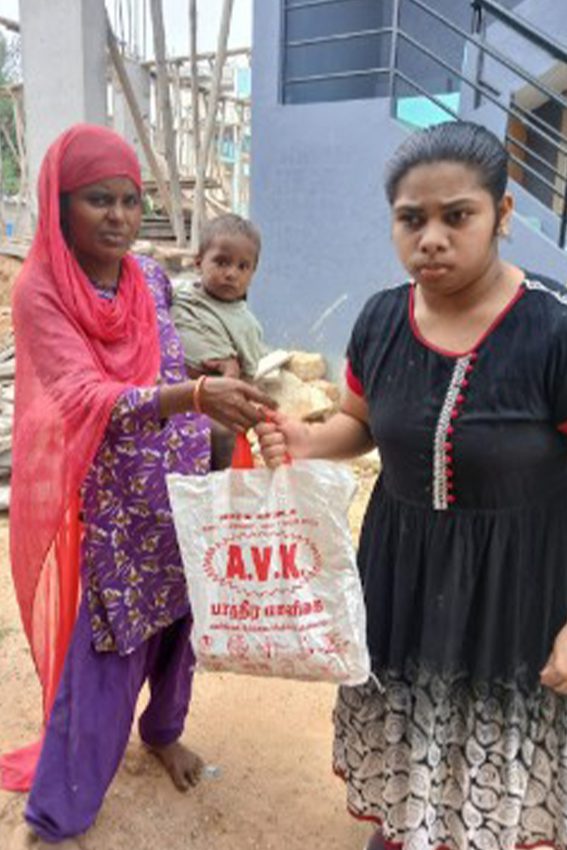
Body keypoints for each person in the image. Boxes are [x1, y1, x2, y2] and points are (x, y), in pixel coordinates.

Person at [256, 121, 567, 850]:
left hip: (517, 585)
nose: (431, 239)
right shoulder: (380, 319)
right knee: (410, 717)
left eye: (457, 216)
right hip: (401, 572)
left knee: (496, 731)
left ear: (502, 214)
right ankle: (407, 826)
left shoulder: (552, 332)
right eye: (411, 219)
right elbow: (361, 424)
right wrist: (305, 439)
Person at [2, 123, 274, 850]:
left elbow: (176, 360)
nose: (119, 216)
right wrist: (195, 396)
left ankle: (162, 732)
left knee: (183, 619)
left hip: (184, 477)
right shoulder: (42, 291)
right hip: (116, 496)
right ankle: (57, 816)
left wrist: (221, 395)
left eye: (129, 200)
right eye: (99, 200)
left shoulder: (148, 277)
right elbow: (81, 397)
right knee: (113, 638)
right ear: (60, 204)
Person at [171, 213, 267, 468]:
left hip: (212, 402)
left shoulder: (246, 325)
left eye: (242, 267)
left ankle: (220, 484)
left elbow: (247, 379)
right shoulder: (179, 295)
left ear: (253, 273)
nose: (231, 274)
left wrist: (229, 377)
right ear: (198, 262)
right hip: (169, 392)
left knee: (222, 434)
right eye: (221, 262)